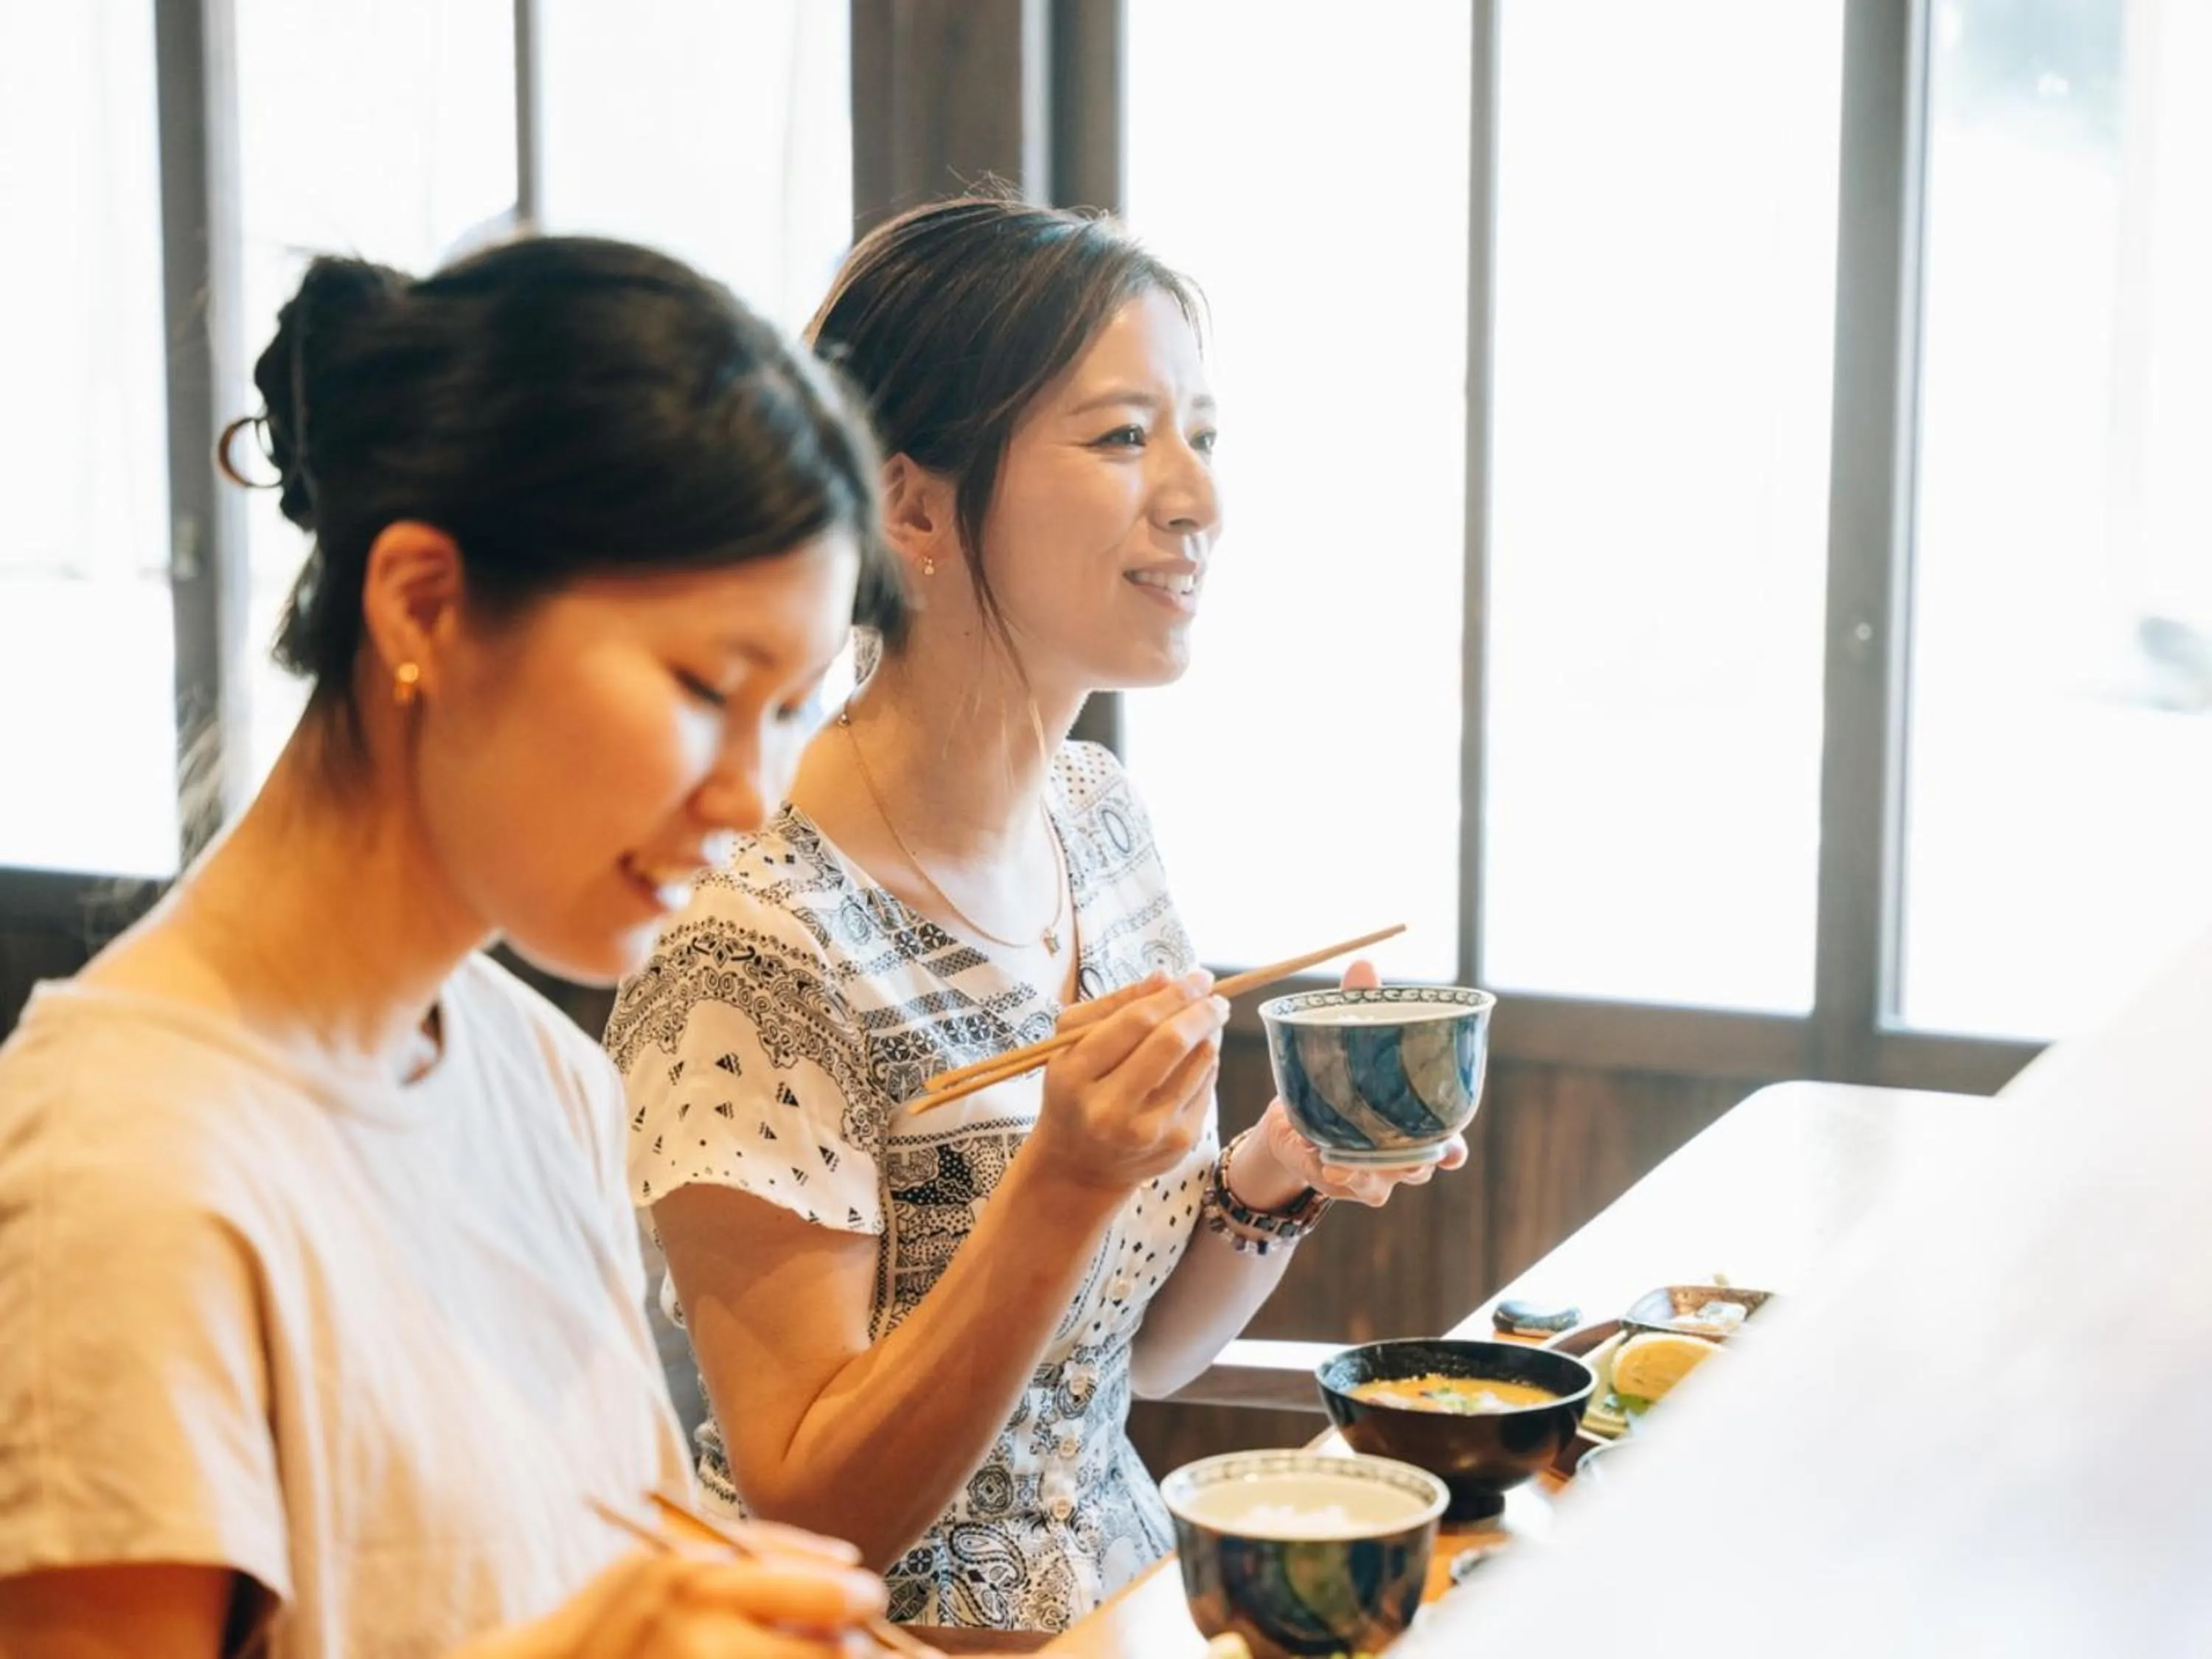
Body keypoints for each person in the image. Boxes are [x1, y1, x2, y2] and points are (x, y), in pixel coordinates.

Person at [0, 237, 901, 1658]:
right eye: (704, 687)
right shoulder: (125, 1157)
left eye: (789, 711)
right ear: (422, 603)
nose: (747, 800)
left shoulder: (542, 1072)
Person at [608, 196, 1470, 1633]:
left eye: (1204, 432)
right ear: (916, 505)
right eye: (1127, 435)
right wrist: (1061, 1179)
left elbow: (1133, 1369)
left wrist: (1280, 1166)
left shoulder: (1098, 817)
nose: (1197, 496)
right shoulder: (750, 950)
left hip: (1131, 1608)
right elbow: (815, 1514)